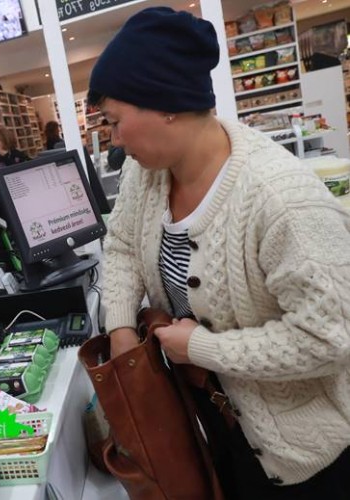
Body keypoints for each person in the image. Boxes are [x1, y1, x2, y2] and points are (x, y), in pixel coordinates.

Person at [91, 7, 350, 500]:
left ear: (165, 104)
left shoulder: (280, 202)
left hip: (304, 461)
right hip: (220, 428)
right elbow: (122, 243)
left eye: (116, 121)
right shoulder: (146, 174)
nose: (115, 140)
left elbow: (330, 337)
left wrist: (204, 349)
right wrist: (121, 327)